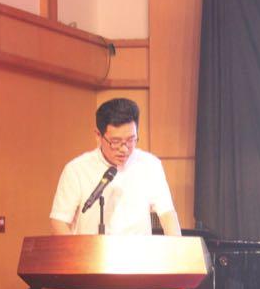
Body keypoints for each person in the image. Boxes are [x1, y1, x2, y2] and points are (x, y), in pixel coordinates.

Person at [50, 98, 181, 236]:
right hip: (91, 249)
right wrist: (77, 249)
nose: (124, 149)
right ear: (98, 136)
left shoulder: (150, 165)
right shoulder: (77, 170)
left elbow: (168, 215)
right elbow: (59, 221)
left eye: (131, 140)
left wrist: (177, 247)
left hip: (138, 249)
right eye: (116, 142)